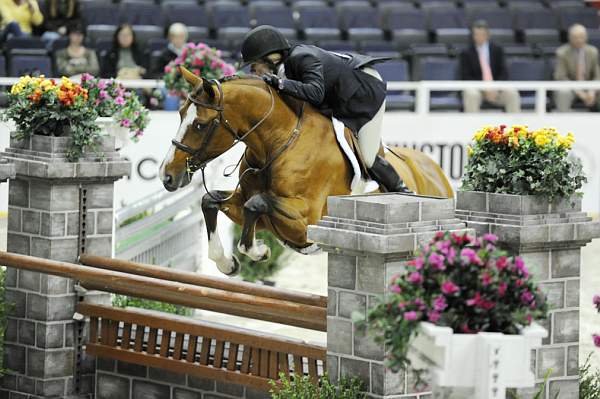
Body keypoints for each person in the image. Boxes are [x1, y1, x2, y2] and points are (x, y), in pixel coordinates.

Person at [240, 25, 410, 193]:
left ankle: (404, 191)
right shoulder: (282, 68)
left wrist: (281, 84)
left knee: (367, 157)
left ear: (271, 58)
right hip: (338, 95)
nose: (254, 73)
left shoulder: (302, 58)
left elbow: (315, 93)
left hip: (364, 91)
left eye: (254, 67)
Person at [459, 20, 521, 113]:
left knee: (512, 93)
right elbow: (466, 76)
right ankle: (472, 126)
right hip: (477, 90)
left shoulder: (497, 50)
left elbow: (503, 73)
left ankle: (515, 126)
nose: (479, 37)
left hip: (496, 89)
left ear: (487, 35)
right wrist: (485, 90)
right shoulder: (466, 53)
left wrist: (495, 88)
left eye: (482, 34)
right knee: (471, 94)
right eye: (476, 34)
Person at [554, 24, 600, 112]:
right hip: (570, 87)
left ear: (586, 37)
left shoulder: (593, 51)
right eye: (575, 37)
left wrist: (592, 90)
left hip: (589, 86)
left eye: (581, 37)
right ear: (569, 38)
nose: (579, 40)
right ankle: (563, 120)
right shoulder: (561, 52)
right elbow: (561, 77)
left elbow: (597, 75)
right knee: (563, 92)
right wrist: (579, 92)